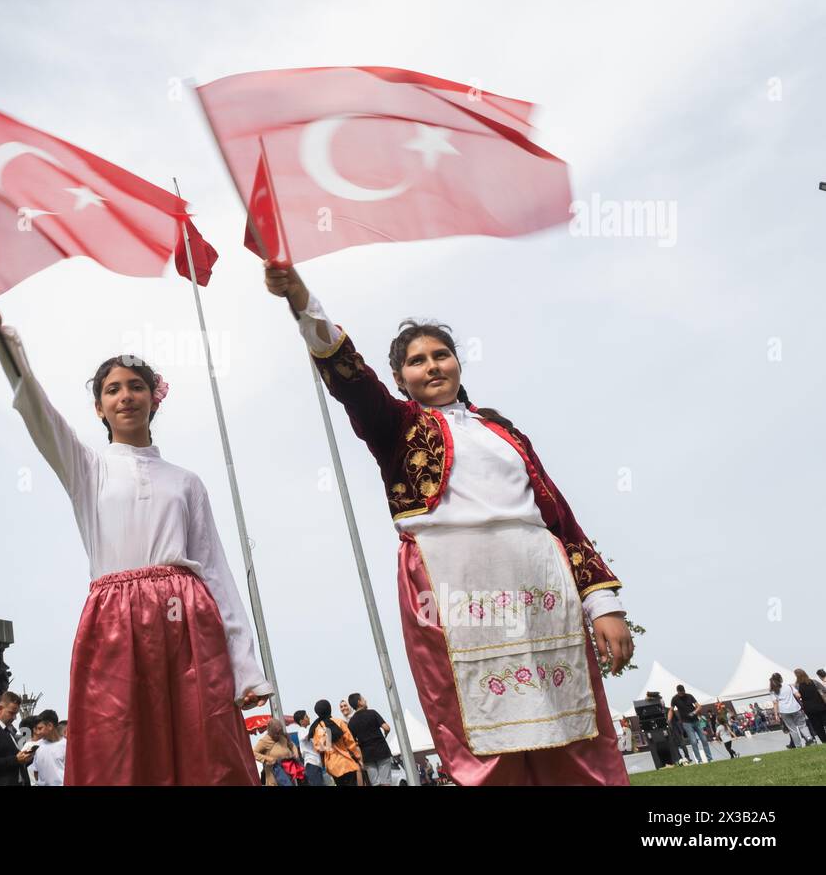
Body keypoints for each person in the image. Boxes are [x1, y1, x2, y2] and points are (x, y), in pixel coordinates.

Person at [263, 264, 633, 786]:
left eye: (441, 354)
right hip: (449, 586)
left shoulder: (502, 429)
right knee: (481, 736)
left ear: (458, 362)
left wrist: (604, 605)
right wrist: (302, 300)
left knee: (573, 730)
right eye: (417, 361)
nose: (432, 366)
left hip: (538, 584)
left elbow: (560, 518)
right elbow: (349, 377)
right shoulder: (394, 427)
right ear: (399, 378)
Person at [0, 287, 272, 785]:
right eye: (112, 389)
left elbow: (215, 570)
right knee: (117, 751)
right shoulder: (87, 469)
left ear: (154, 398)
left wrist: (244, 665)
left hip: (187, 620)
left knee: (205, 746)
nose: (125, 396)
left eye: (136, 386)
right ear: (99, 408)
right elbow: (37, 413)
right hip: (114, 622)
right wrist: (1, 340)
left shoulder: (186, 481)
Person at [346, 693, 397, 786]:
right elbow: (387, 728)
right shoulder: (372, 713)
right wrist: (386, 734)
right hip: (382, 751)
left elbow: (352, 742)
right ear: (359, 702)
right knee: (386, 782)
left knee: (375, 783)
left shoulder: (352, 722)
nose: (365, 700)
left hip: (367, 755)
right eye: (363, 699)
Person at [310, 700, 363, 786]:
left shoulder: (319, 727)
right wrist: (358, 757)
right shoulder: (339, 722)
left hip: (333, 766)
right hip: (347, 762)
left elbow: (321, 748)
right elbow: (350, 742)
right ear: (329, 709)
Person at [669, 685, 712, 764]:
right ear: (677, 692)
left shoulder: (689, 696)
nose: (682, 694)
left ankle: (710, 759)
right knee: (693, 741)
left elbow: (699, 706)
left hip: (696, 721)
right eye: (681, 693)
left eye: (683, 692)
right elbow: (671, 710)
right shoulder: (674, 699)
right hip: (686, 723)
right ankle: (699, 760)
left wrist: (694, 712)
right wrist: (669, 720)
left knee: (704, 740)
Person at [770, 673, 814, 748]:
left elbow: (775, 703)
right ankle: (809, 738)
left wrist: (776, 714)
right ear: (781, 679)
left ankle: (798, 745)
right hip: (795, 708)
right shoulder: (789, 686)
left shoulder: (773, 690)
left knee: (792, 729)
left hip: (784, 711)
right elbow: (798, 695)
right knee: (802, 725)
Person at [253, 718, 301, 786]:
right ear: (270, 731)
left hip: (289, 774)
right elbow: (253, 753)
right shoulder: (264, 741)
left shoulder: (283, 736)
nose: (278, 735)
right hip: (275, 778)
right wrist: (268, 759)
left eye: (280, 732)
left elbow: (291, 745)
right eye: (276, 733)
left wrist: (295, 752)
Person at [32, 710, 67, 787]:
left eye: (40, 728)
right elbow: (36, 771)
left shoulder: (67, 745)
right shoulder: (37, 746)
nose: (38, 732)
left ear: (50, 726)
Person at [291, 710, 325, 787]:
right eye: (306, 716)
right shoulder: (302, 730)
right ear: (301, 721)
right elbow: (307, 735)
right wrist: (317, 722)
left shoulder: (306, 730)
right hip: (311, 764)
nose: (309, 718)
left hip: (316, 764)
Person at [794, 669, 826, 744]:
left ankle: (824, 740)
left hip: (809, 708)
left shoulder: (797, 685)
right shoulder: (814, 681)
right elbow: (824, 690)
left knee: (817, 726)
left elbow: (797, 696)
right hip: (820, 705)